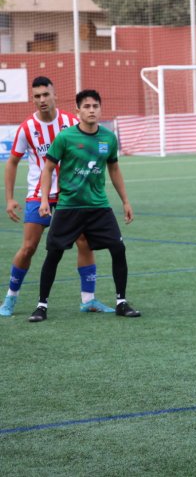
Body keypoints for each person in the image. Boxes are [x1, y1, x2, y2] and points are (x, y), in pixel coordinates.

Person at [1, 76, 112, 318]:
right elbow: (12, 163)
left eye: (45, 94)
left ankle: (88, 299)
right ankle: (10, 297)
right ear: (34, 99)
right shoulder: (27, 128)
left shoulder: (71, 122)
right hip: (37, 195)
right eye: (37, 96)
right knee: (29, 247)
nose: (42, 100)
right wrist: (9, 198)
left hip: (70, 195)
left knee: (85, 241)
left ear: (54, 95)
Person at [28, 89, 141, 322]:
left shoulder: (108, 138)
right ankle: (41, 306)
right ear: (77, 110)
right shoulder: (65, 137)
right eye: (87, 106)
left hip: (99, 207)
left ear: (100, 109)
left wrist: (126, 201)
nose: (91, 110)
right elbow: (48, 169)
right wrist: (43, 200)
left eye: (95, 106)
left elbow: (114, 169)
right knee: (54, 253)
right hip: (69, 206)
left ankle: (121, 302)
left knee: (118, 249)